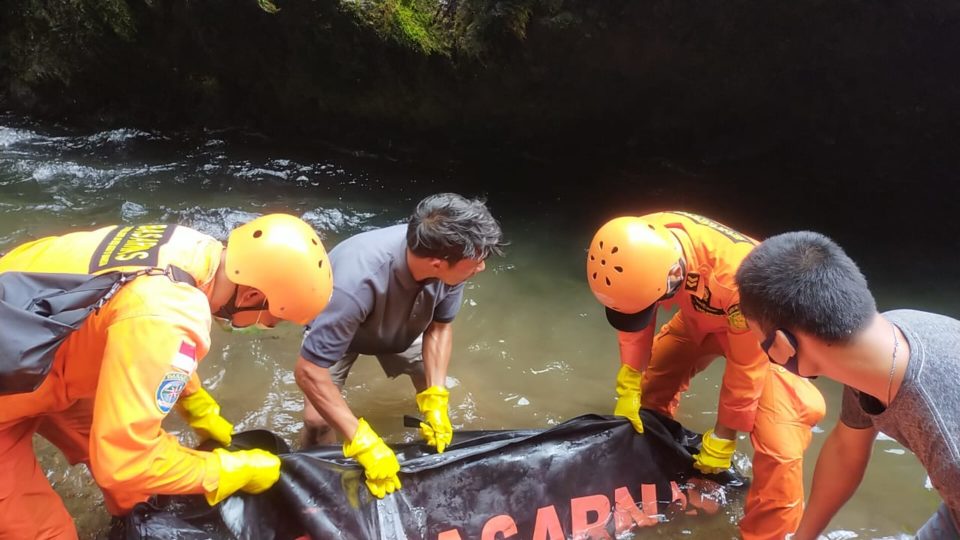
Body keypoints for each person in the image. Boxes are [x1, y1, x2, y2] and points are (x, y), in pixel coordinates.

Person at [0, 214, 333, 539]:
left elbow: (142, 332)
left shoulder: (193, 248)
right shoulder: (172, 313)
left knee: (137, 491)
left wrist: (195, 402)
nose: (265, 327)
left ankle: (129, 526)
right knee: (48, 531)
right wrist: (229, 471)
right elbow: (124, 461)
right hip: (14, 374)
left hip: (33, 330)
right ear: (250, 296)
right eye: (271, 320)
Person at [586, 211, 826, 540]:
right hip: (703, 314)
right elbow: (636, 320)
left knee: (779, 449)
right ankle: (659, 466)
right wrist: (630, 380)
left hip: (768, 340)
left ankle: (769, 534)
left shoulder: (743, 282)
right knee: (649, 393)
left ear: (673, 275)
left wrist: (724, 436)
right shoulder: (636, 243)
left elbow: (746, 368)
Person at [736, 230, 960, 540]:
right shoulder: (879, 344)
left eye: (760, 340)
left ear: (783, 345)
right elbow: (846, 449)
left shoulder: (947, 442)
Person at [294, 192, 504, 499]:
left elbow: (439, 327)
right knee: (316, 420)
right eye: (477, 261)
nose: (481, 267)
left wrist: (436, 398)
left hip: (403, 322)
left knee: (427, 382)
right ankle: (323, 486)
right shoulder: (354, 284)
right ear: (437, 264)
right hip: (344, 323)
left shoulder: (452, 261)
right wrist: (361, 441)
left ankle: (430, 438)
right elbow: (309, 371)